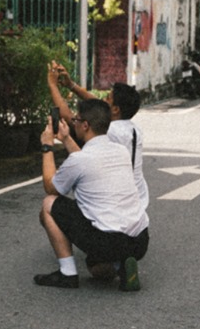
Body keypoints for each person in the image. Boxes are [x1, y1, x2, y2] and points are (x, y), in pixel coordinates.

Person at [35, 98, 148, 292]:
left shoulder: (80, 160)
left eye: (76, 120)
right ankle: (120, 266)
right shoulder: (120, 151)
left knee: (49, 204)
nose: (74, 123)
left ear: (85, 125)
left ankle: (67, 273)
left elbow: (51, 187)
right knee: (95, 269)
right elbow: (87, 161)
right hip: (139, 241)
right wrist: (67, 139)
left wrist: (47, 147)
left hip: (107, 241)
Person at [47, 61, 150, 221]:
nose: (103, 100)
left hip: (116, 202)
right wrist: (71, 85)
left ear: (115, 110)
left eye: (108, 98)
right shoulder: (132, 129)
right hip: (137, 200)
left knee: (57, 200)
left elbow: (70, 117)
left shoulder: (112, 130)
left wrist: (52, 85)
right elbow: (98, 106)